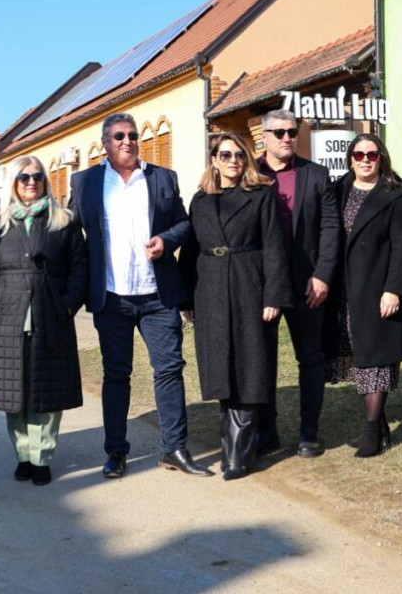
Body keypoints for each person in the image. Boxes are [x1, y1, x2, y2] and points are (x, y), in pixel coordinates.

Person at [69, 112, 212, 478]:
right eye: (118, 136)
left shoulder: (162, 178)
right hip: (112, 297)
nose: (127, 141)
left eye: (132, 135)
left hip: (157, 296)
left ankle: (174, 449)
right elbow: (70, 236)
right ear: (105, 143)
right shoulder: (85, 182)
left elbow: (184, 224)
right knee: (117, 375)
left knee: (169, 370)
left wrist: (167, 240)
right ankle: (116, 452)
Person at [180, 134, 292, 480]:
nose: (232, 161)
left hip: (249, 285)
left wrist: (273, 296)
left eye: (239, 155)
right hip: (210, 288)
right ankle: (241, 445)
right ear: (213, 159)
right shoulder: (200, 200)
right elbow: (189, 250)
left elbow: (275, 248)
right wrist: (186, 298)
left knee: (249, 368)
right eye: (225, 155)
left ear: (246, 160)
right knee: (221, 369)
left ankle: (237, 456)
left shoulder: (261, 196)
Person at [0, 155, 88, 486]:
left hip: (50, 316)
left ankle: (42, 457)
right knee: (14, 393)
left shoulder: (63, 221)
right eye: (24, 177)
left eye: (37, 176)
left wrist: (67, 306)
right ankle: (23, 455)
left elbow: (80, 268)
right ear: (13, 182)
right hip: (8, 319)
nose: (31, 182)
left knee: (46, 393)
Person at [255, 110, 339, 458]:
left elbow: (331, 227)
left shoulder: (317, 175)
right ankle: (266, 432)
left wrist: (323, 274)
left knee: (310, 357)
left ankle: (309, 433)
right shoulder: (248, 173)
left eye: (292, 131)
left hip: (308, 282)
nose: (287, 138)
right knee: (261, 360)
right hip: (262, 284)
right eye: (279, 133)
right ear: (264, 137)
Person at [325, 133, 402, 458]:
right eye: (359, 154)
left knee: (377, 356)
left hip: (378, 287)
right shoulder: (337, 192)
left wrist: (394, 289)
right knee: (358, 355)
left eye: (372, 155)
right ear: (350, 158)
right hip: (344, 289)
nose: (365, 160)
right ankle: (378, 423)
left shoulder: (396, 194)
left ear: (382, 158)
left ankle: (371, 428)